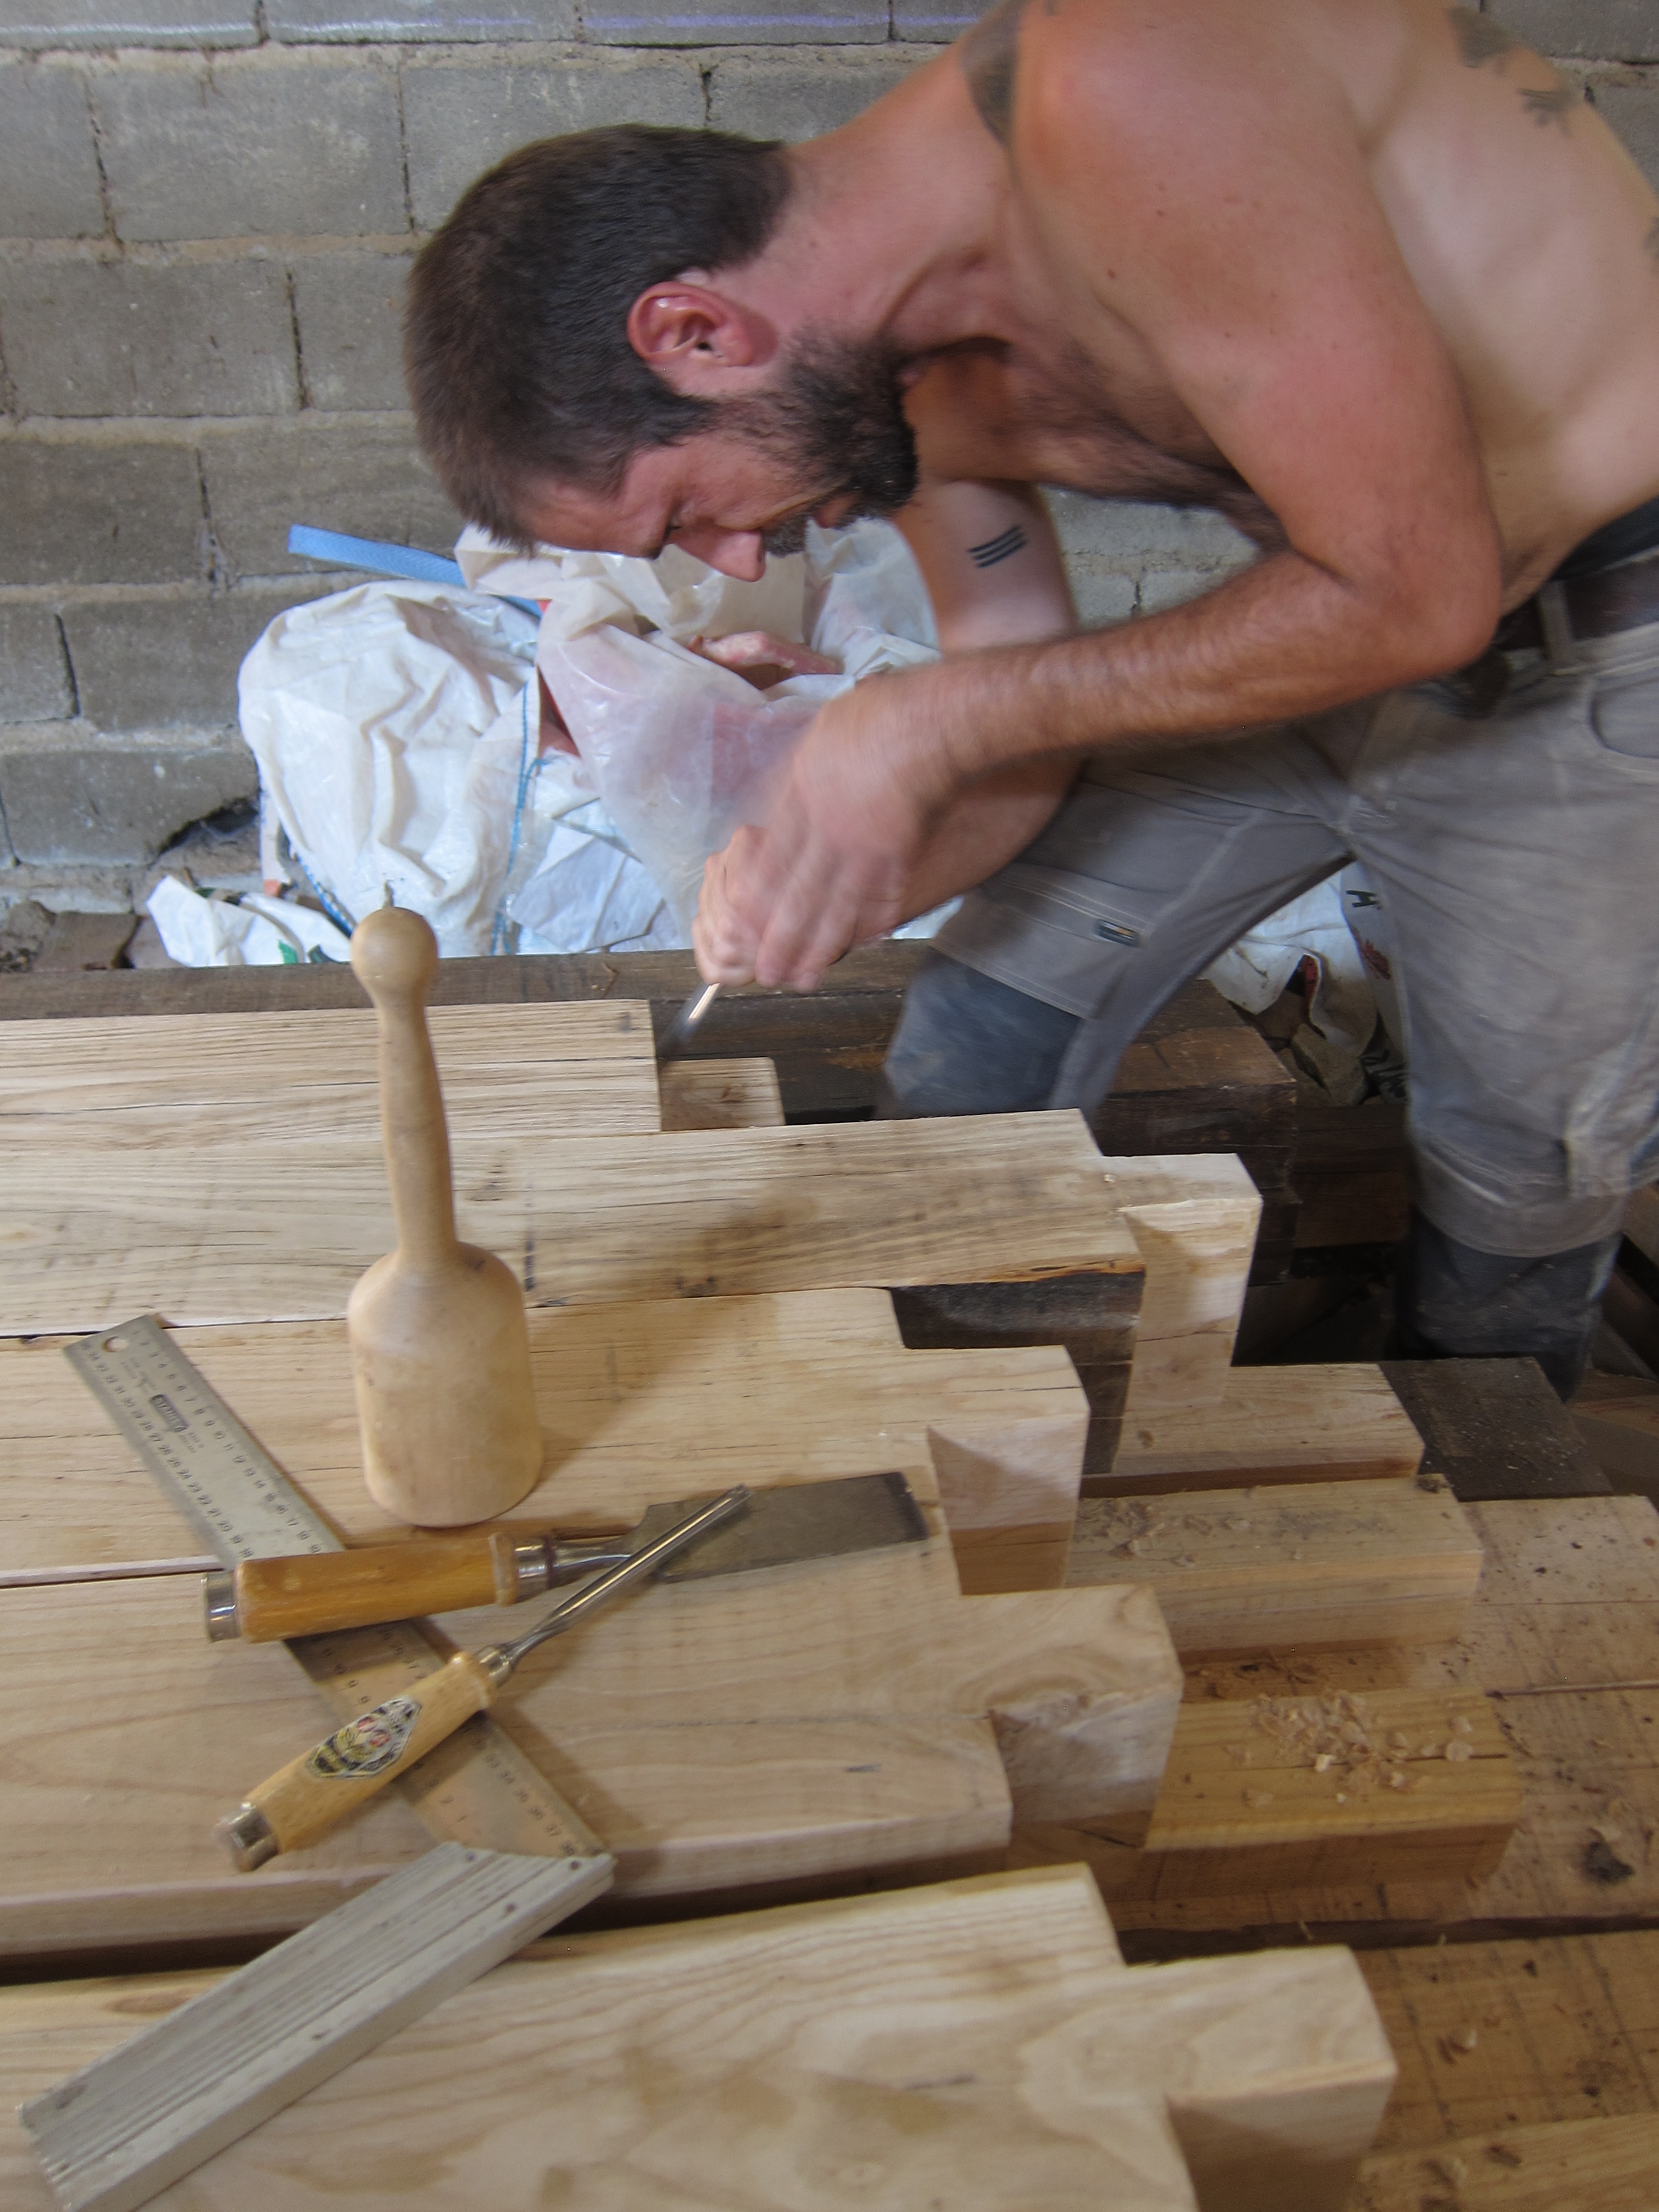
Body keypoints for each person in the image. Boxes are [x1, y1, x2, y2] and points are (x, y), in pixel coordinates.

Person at [405, 0, 1659, 1396]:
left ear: (695, 332)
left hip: (1597, 642)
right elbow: (1028, 705)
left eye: (687, 513)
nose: (740, 561)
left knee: (1515, 1181)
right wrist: (844, 874)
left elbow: (1418, 590)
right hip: (1347, 628)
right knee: (983, 1022)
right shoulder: (893, 381)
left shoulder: (1137, 71)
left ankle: (1481, 1461)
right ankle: (977, 1418)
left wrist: (920, 722)